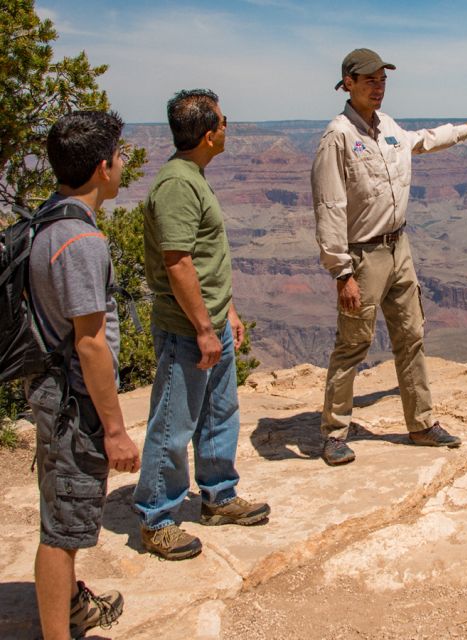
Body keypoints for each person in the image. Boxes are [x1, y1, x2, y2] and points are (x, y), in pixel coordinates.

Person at [311, 48, 467, 466]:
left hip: (399, 247)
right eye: (369, 79)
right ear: (348, 83)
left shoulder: (387, 127)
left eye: (382, 80)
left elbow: (421, 142)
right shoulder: (338, 136)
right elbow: (330, 208)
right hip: (363, 255)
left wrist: (463, 129)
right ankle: (335, 433)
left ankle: (422, 424)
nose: (378, 87)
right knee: (353, 343)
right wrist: (342, 273)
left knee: (411, 336)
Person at [133, 89, 269, 560]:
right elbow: (178, 262)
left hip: (208, 321)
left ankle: (218, 496)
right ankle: (158, 517)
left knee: (218, 414)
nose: (230, 127)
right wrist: (203, 328)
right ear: (209, 134)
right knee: (173, 422)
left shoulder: (192, 176)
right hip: (187, 329)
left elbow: (208, 260)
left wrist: (226, 312)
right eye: (225, 121)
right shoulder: (177, 184)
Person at [28, 111, 142, 640]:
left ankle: (73, 607)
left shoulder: (48, 218)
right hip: (74, 404)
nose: (122, 166)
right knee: (62, 533)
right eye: (119, 158)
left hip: (54, 394)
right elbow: (91, 343)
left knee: (62, 510)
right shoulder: (81, 241)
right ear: (103, 167)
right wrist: (114, 429)